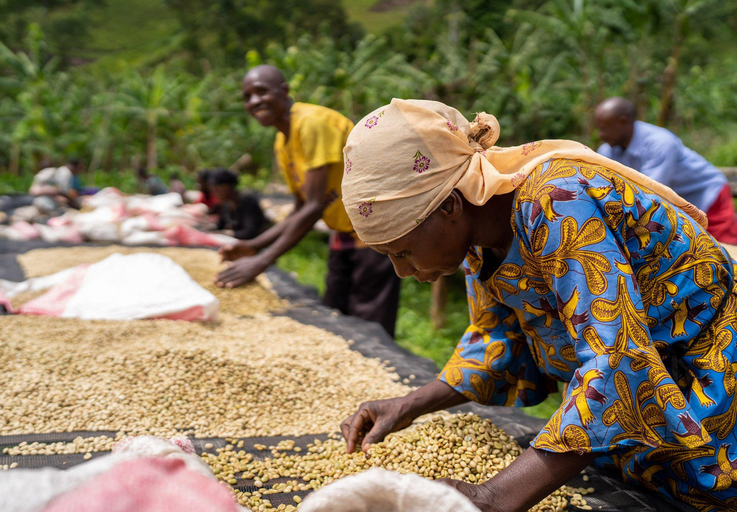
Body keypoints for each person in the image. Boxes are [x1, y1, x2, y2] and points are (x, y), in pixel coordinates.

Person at [339, 99, 737, 510]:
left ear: (450, 206)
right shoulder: (479, 238)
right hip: (649, 395)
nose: (402, 271)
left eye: (402, 251)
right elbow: (498, 338)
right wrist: (407, 405)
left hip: (712, 372)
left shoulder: (557, 199)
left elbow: (617, 357)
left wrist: (491, 497)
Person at [215, 65, 401, 337]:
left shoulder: (311, 123)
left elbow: (314, 206)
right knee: (335, 316)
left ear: (284, 91)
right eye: (247, 96)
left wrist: (262, 260)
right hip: (343, 234)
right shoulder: (283, 140)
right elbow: (301, 208)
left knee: (371, 325)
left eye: (261, 92)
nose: (254, 101)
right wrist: (252, 246)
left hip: (376, 233)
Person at [595, 97, 737, 244]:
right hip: (682, 208)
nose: (600, 134)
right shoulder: (607, 150)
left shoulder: (660, 142)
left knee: (725, 251)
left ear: (622, 122)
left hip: (708, 197)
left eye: (604, 128)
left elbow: (647, 193)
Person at [208, 168, 266, 240]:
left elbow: (250, 232)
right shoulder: (226, 204)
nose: (215, 193)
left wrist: (227, 233)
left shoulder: (247, 201)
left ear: (229, 186)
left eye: (217, 189)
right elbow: (220, 224)